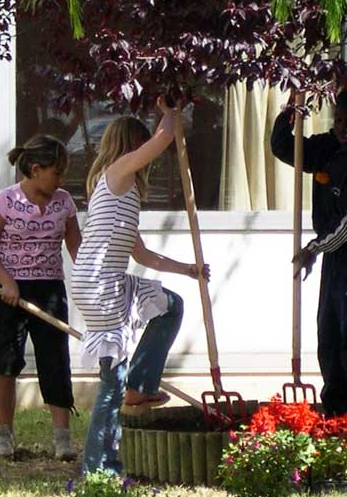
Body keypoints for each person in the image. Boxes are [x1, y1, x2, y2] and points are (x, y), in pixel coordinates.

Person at [72, 97, 209, 475]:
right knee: (111, 384)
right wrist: (171, 112)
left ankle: (141, 385)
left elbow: (143, 253)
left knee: (171, 304)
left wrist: (189, 269)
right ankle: (99, 469)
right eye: (141, 145)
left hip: (105, 280)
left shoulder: (121, 192)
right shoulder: (118, 171)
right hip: (101, 283)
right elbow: (162, 140)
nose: (148, 157)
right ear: (132, 145)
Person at [271, 87, 347, 420]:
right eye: (340, 120)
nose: (344, 128)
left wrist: (313, 248)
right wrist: (290, 112)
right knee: (328, 333)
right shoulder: (326, 146)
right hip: (333, 255)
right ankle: (336, 410)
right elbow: (284, 148)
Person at [0, 135, 81, 460]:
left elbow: (77, 249)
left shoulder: (64, 202)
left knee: (55, 359)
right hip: (10, 292)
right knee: (5, 359)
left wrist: (94, 280)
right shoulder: (4, 201)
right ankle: (4, 433)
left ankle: (62, 437)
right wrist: (6, 281)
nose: (60, 179)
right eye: (56, 172)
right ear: (36, 170)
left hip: (49, 290)